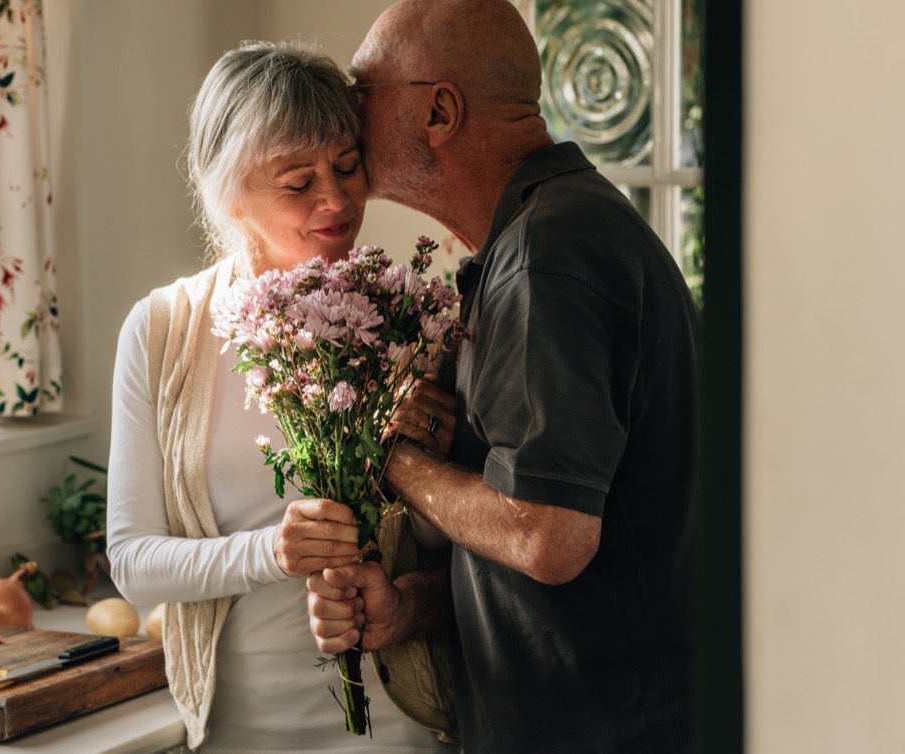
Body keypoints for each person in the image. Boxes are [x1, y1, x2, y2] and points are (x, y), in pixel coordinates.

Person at [306, 0, 701, 751]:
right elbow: (553, 553)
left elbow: (548, 537)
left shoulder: (548, 255)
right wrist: (409, 609)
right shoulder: (540, 240)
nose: (347, 116)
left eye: (364, 92)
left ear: (439, 111)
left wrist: (393, 460)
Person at [105, 40, 455, 752]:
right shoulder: (165, 333)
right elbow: (135, 564)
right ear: (229, 193)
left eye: (349, 166)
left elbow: (468, 561)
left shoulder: (410, 326)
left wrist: (426, 462)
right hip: (241, 732)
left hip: (402, 729)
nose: (337, 199)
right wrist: (274, 550)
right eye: (298, 182)